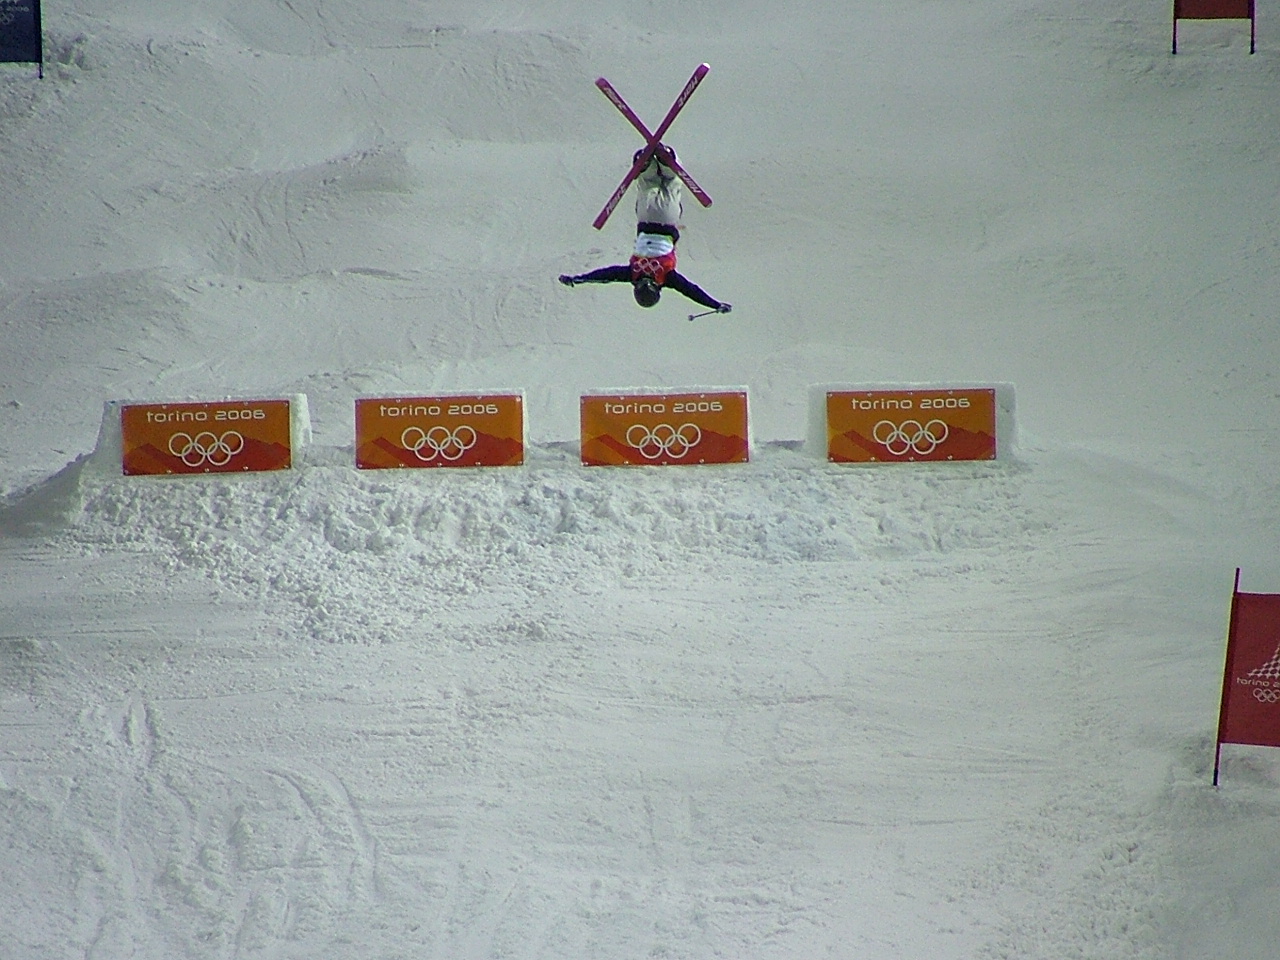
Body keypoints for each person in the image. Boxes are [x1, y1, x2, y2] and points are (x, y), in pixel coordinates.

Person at [559, 147, 731, 313]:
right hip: (645, 216)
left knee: (672, 183)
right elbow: (607, 275)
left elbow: (690, 290)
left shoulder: (666, 277)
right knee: (648, 184)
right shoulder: (632, 273)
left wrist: (715, 305)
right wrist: (579, 279)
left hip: (666, 220)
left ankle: (664, 163)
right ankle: (649, 166)